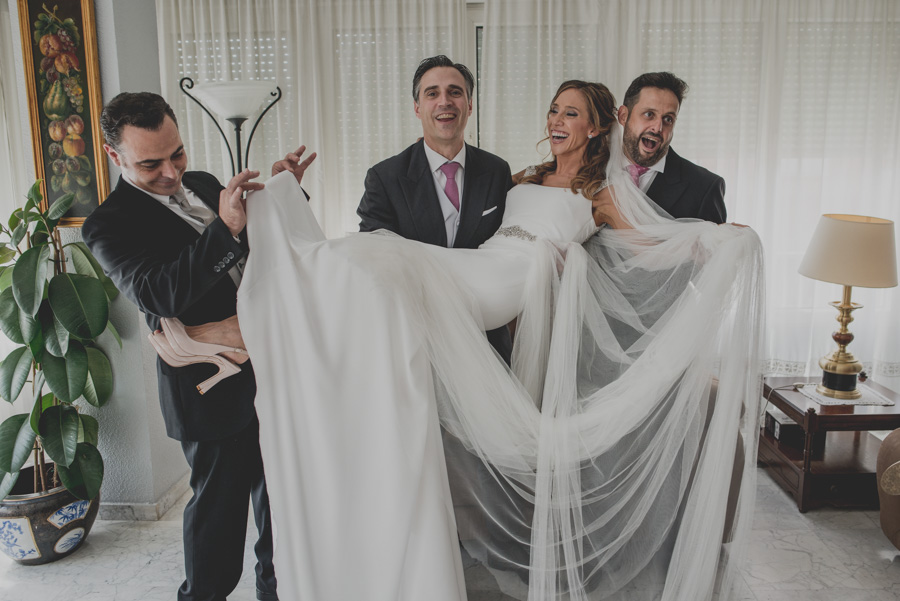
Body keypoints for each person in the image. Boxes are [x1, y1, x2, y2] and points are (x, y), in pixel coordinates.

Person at [159, 80, 763, 600]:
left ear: (598, 125)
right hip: (479, 264)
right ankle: (267, 300)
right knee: (372, 255)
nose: (556, 120)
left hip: (501, 285)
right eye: (553, 110)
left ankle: (250, 326)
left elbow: (650, 241)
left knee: (381, 264)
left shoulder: (600, 195)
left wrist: (716, 237)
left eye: (571, 112)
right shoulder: (520, 176)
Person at [81, 92, 314, 601]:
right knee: (218, 525)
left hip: (272, 372)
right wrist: (227, 226)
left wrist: (282, 194)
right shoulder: (106, 225)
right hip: (209, 392)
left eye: (177, 153)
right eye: (150, 163)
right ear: (114, 156)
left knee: (282, 511)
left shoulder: (207, 183)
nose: (171, 172)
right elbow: (158, 293)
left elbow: (261, 252)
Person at [357, 55, 514, 361]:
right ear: (417, 107)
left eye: (455, 92)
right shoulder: (385, 178)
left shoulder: (497, 170)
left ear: (469, 105)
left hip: (486, 342)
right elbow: (374, 262)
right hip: (416, 344)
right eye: (432, 93)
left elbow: (507, 248)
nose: (445, 101)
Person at [617, 71, 727, 223]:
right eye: (649, 114)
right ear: (623, 116)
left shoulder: (705, 187)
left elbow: (712, 247)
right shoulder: (591, 168)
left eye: (668, 119)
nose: (658, 128)